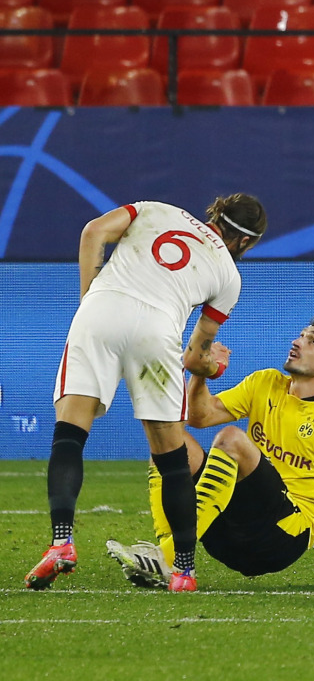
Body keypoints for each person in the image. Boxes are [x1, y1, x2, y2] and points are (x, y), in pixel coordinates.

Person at [25, 194, 267, 592]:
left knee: (69, 436)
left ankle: (62, 543)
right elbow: (195, 357)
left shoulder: (157, 209)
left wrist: (90, 301)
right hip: (157, 331)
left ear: (216, 213)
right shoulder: (228, 276)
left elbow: (93, 232)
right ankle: (184, 572)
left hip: (100, 312)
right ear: (246, 242)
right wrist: (215, 367)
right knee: (172, 459)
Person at [105, 314, 314, 588]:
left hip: (282, 537)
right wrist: (203, 372)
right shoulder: (266, 383)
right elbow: (200, 417)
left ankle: (169, 555)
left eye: (312, 341)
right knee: (170, 445)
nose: (297, 342)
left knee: (232, 439)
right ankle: (174, 559)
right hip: (231, 532)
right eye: (301, 335)